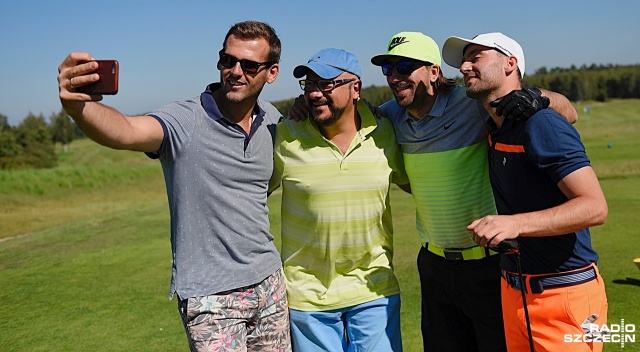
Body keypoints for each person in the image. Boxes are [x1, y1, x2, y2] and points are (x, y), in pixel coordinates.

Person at [57, 21, 291, 352]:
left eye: (250, 65)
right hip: (211, 298)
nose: (236, 71)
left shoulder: (272, 119)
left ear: (271, 72)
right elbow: (126, 131)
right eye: (228, 60)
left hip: (269, 284)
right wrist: (77, 106)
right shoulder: (185, 120)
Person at [367, 31, 579, 352]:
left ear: (433, 72)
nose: (395, 77)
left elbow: (569, 111)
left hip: (490, 263)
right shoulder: (391, 116)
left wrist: (537, 97)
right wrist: (303, 104)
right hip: (434, 264)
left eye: (405, 67)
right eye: (388, 70)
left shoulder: (472, 103)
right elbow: (343, 111)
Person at [443, 32, 608, 352]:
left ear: (510, 63)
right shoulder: (496, 126)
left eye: (476, 57)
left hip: (566, 295)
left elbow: (595, 207)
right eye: (463, 60)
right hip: (515, 293)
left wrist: (514, 223)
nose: (464, 66)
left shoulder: (540, 124)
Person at [269, 48, 410, 351]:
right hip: (307, 298)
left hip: (375, 290)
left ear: (355, 88)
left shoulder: (385, 131)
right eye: (309, 85)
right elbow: (251, 194)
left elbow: (416, 184)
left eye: (326, 84)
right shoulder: (286, 135)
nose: (316, 93)